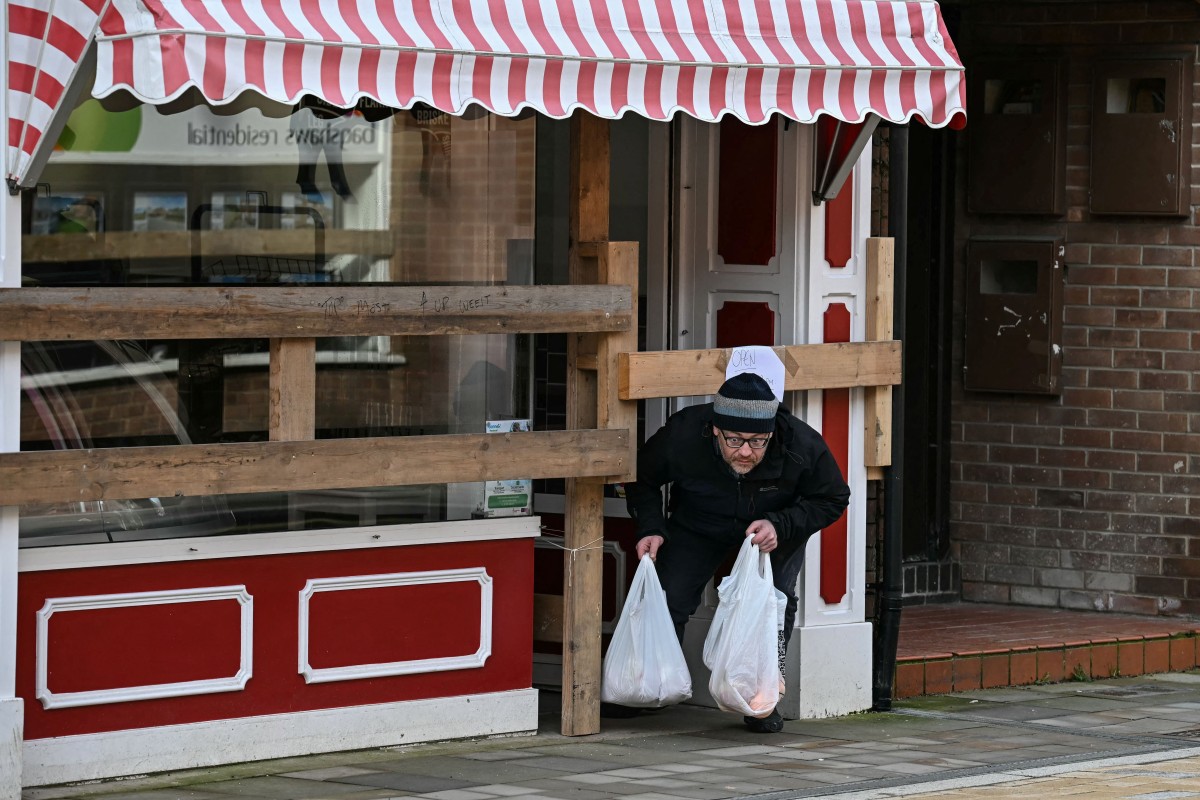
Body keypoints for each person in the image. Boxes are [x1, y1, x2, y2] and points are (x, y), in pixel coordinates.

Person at [622, 371, 851, 733]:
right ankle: (647, 685)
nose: (745, 451)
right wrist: (651, 527)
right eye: (734, 440)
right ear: (715, 429)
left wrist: (780, 525)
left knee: (773, 603)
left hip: (771, 529)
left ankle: (761, 698)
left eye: (758, 441)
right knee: (668, 596)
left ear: (771, 433)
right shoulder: (684, 433)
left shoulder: (800, 442)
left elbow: (834, 497)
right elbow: (641, 476)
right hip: (698, 522)